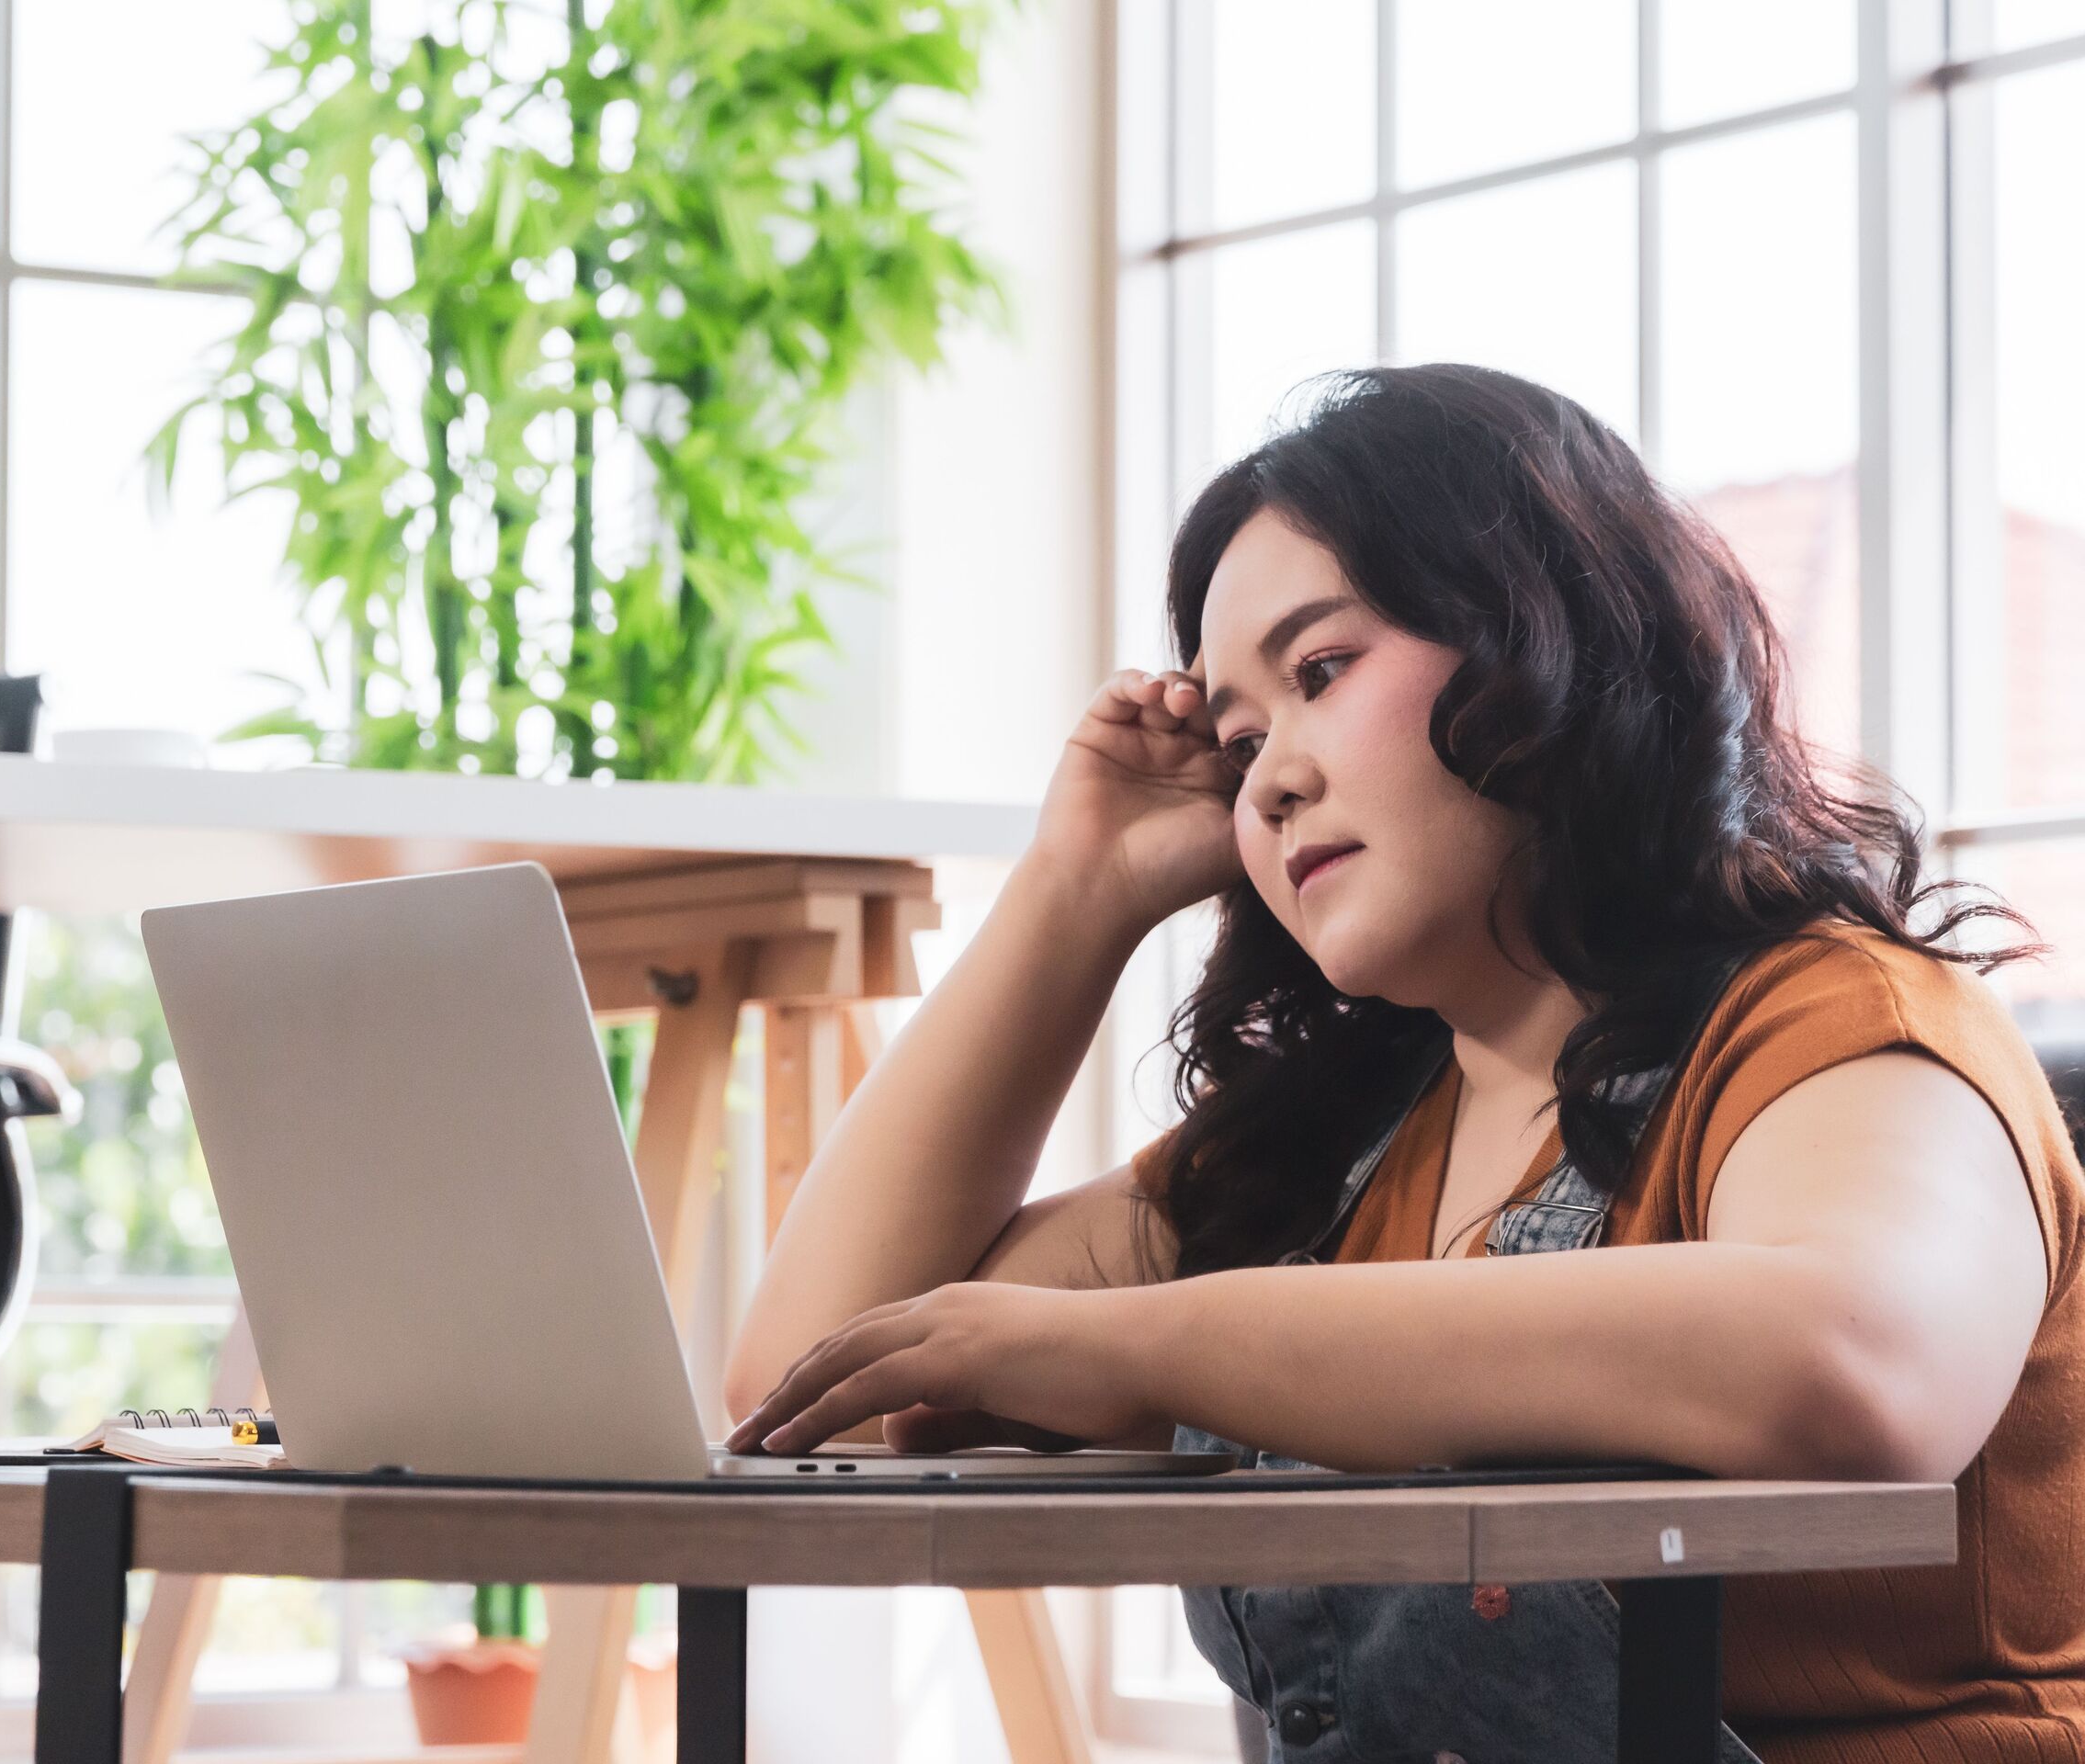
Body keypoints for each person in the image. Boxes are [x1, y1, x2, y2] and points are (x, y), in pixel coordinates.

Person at [721, 364, 2085, 1760]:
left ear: (1547, 639)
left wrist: (1144, 1347)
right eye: (1239, 740)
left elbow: (1857, 1365)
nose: (1268, 779)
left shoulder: (1842, 1020)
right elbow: (810, 1376)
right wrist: (1079, 889)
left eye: (1322, 673)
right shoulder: (1331, 1146)